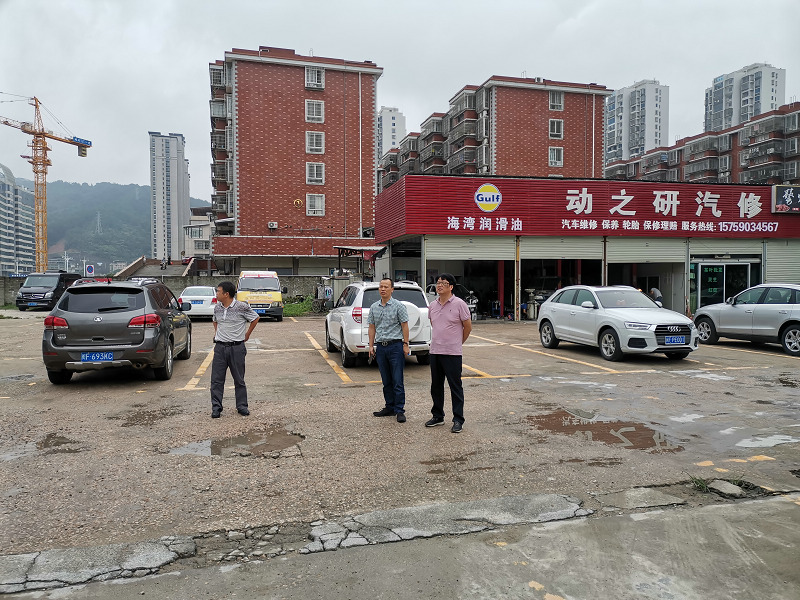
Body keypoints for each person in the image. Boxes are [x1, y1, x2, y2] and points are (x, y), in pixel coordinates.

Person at [426, 273, 472, 433]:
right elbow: (434, 324)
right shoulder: (432, 305)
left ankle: (458, 419)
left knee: (455, 387)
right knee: (436, 386)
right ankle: (437, 416)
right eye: (438, 283)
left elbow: (468, 327)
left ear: (451, 287)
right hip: (435, 351)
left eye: (443, 283)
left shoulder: (460, 304)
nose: (439, 285)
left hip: (452, 353)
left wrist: (457, 342)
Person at [210, 281, 259, 419]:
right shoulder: (217, 307)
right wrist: (217, 333)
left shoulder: (241, 307)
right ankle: (216, 408)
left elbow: (255, 318)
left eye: (218, 291)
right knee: (216, 380)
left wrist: (247, 334)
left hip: (236, 348)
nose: (216, 293)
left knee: (239, 379)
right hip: (220, 348)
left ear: (226, 294)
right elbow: (215, 320)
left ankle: (242, 406)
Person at [368, 278, 410, 423]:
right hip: (381, 347)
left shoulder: (399, 306)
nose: (383, 289)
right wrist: (371, 346)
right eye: (381, 286)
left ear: (392, 289)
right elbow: (372, 327)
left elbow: (404, 326)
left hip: (395, 346)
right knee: (386, 380)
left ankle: (399, 410)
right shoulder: (374, 307)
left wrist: (406, 344)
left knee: (397, 380)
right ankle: (389, 407)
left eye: (386, 287)